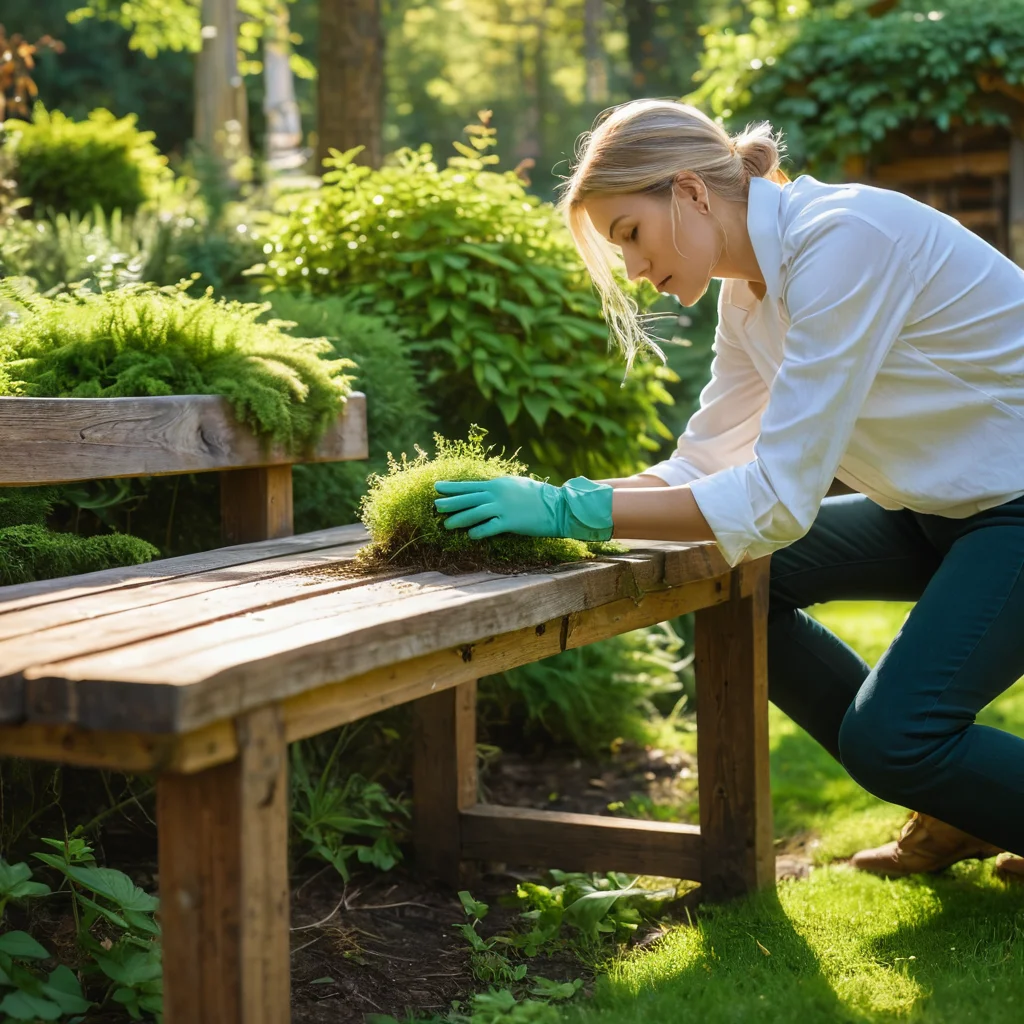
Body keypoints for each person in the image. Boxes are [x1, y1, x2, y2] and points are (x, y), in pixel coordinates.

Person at [432, 98, 1024, 877]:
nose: (636, 273)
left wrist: (574, 511)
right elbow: (701, 464)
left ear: (689, 191)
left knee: (894, 739)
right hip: (942, 510)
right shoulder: (748, 299)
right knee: (736, 581)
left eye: (630, 236)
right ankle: (963, 805)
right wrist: (556, 499)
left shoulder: (843, 242)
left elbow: (777, 500)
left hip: (1010, 511)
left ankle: (934, 778)